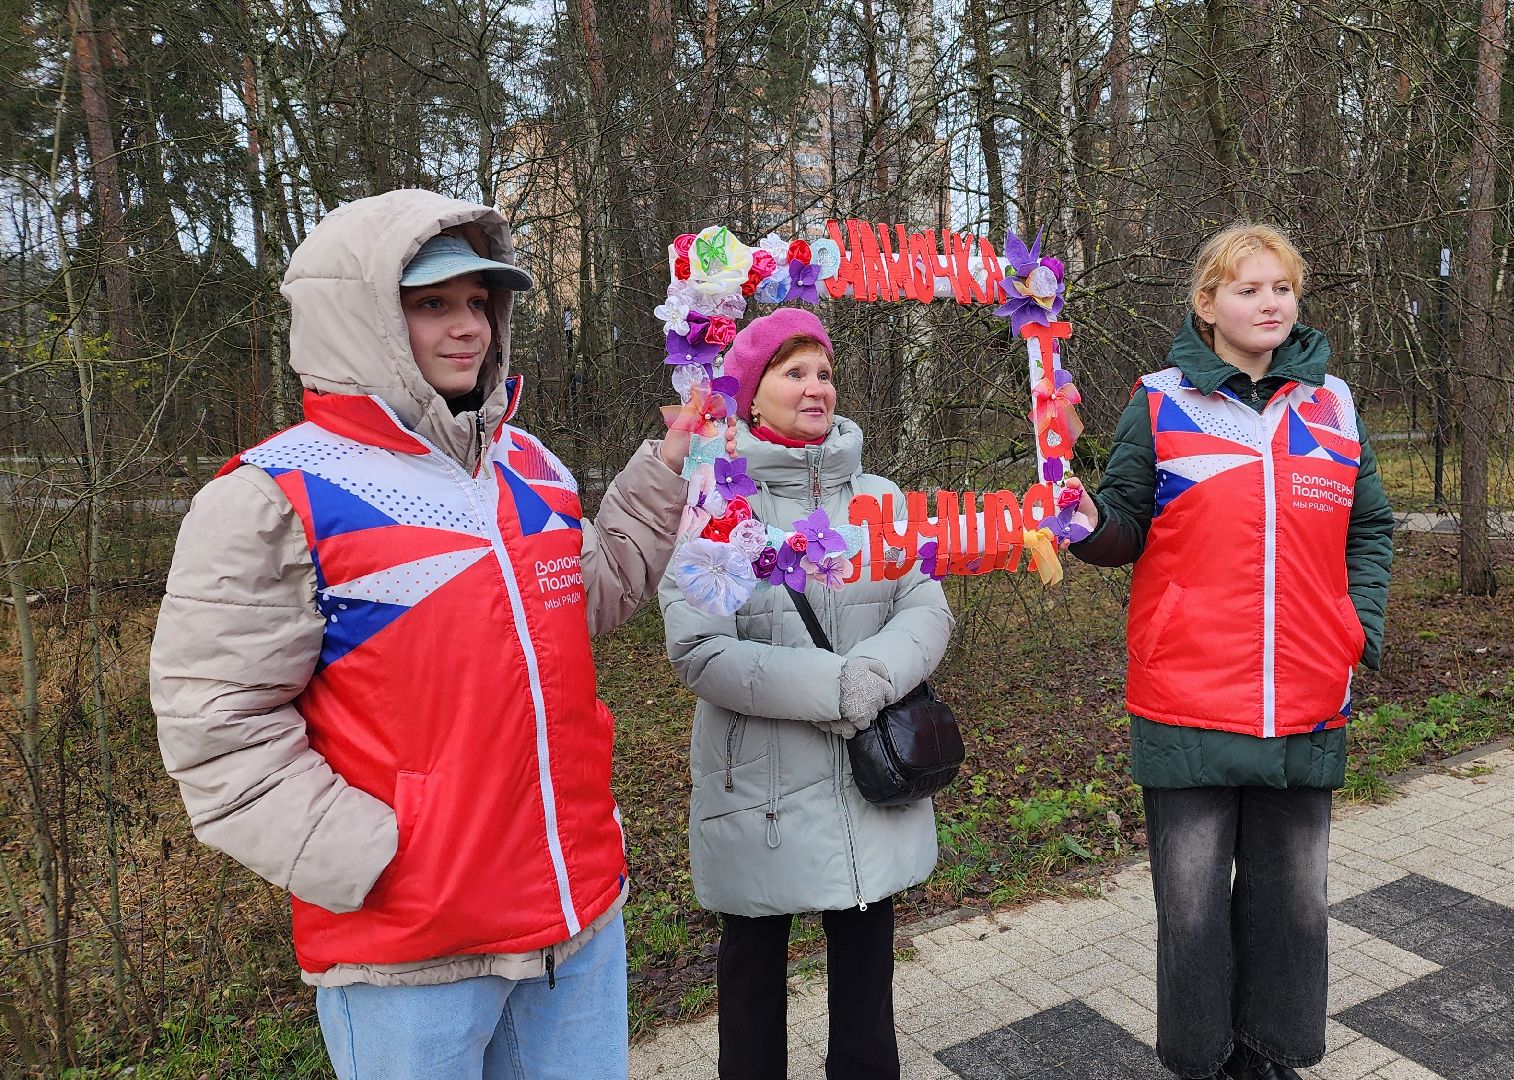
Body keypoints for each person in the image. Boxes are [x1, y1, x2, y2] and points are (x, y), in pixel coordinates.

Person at [150, 188, 688, 1078]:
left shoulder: (530, 465)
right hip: (411, 959)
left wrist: (664, 468)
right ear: (359, 317)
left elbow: (590, 600)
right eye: (432, 303)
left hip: (578, 922)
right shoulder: (275, 495)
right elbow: (216, 728)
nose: (467, 326)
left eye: (479, 302)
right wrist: (374, 860)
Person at [1066, 224, 1395, 1080]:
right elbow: (1124, 526)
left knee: (1294, 908)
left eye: (1281, 287)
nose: (1269, 303)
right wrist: (1079, 524)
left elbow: (1371, 529)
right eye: (1248, 289)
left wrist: (1356, 625)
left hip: (1307, 693)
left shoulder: (1333, 404)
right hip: (1187, 696)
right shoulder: (1161, 399)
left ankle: (1272, 1058)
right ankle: (1203, 1063)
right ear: (1207, 305)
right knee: (1193, 911)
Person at [659, 307, 953, 1080]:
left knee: (867, 975)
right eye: (794, 372)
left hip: (866, 782)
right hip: (757, 782)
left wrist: (877, 675)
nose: (816, 386)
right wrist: (835, 686)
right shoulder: (714, 507)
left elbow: (926, 604)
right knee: (752, 975)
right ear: (752, 396)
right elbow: (699, 648)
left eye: (823, 371)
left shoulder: (879, 498)